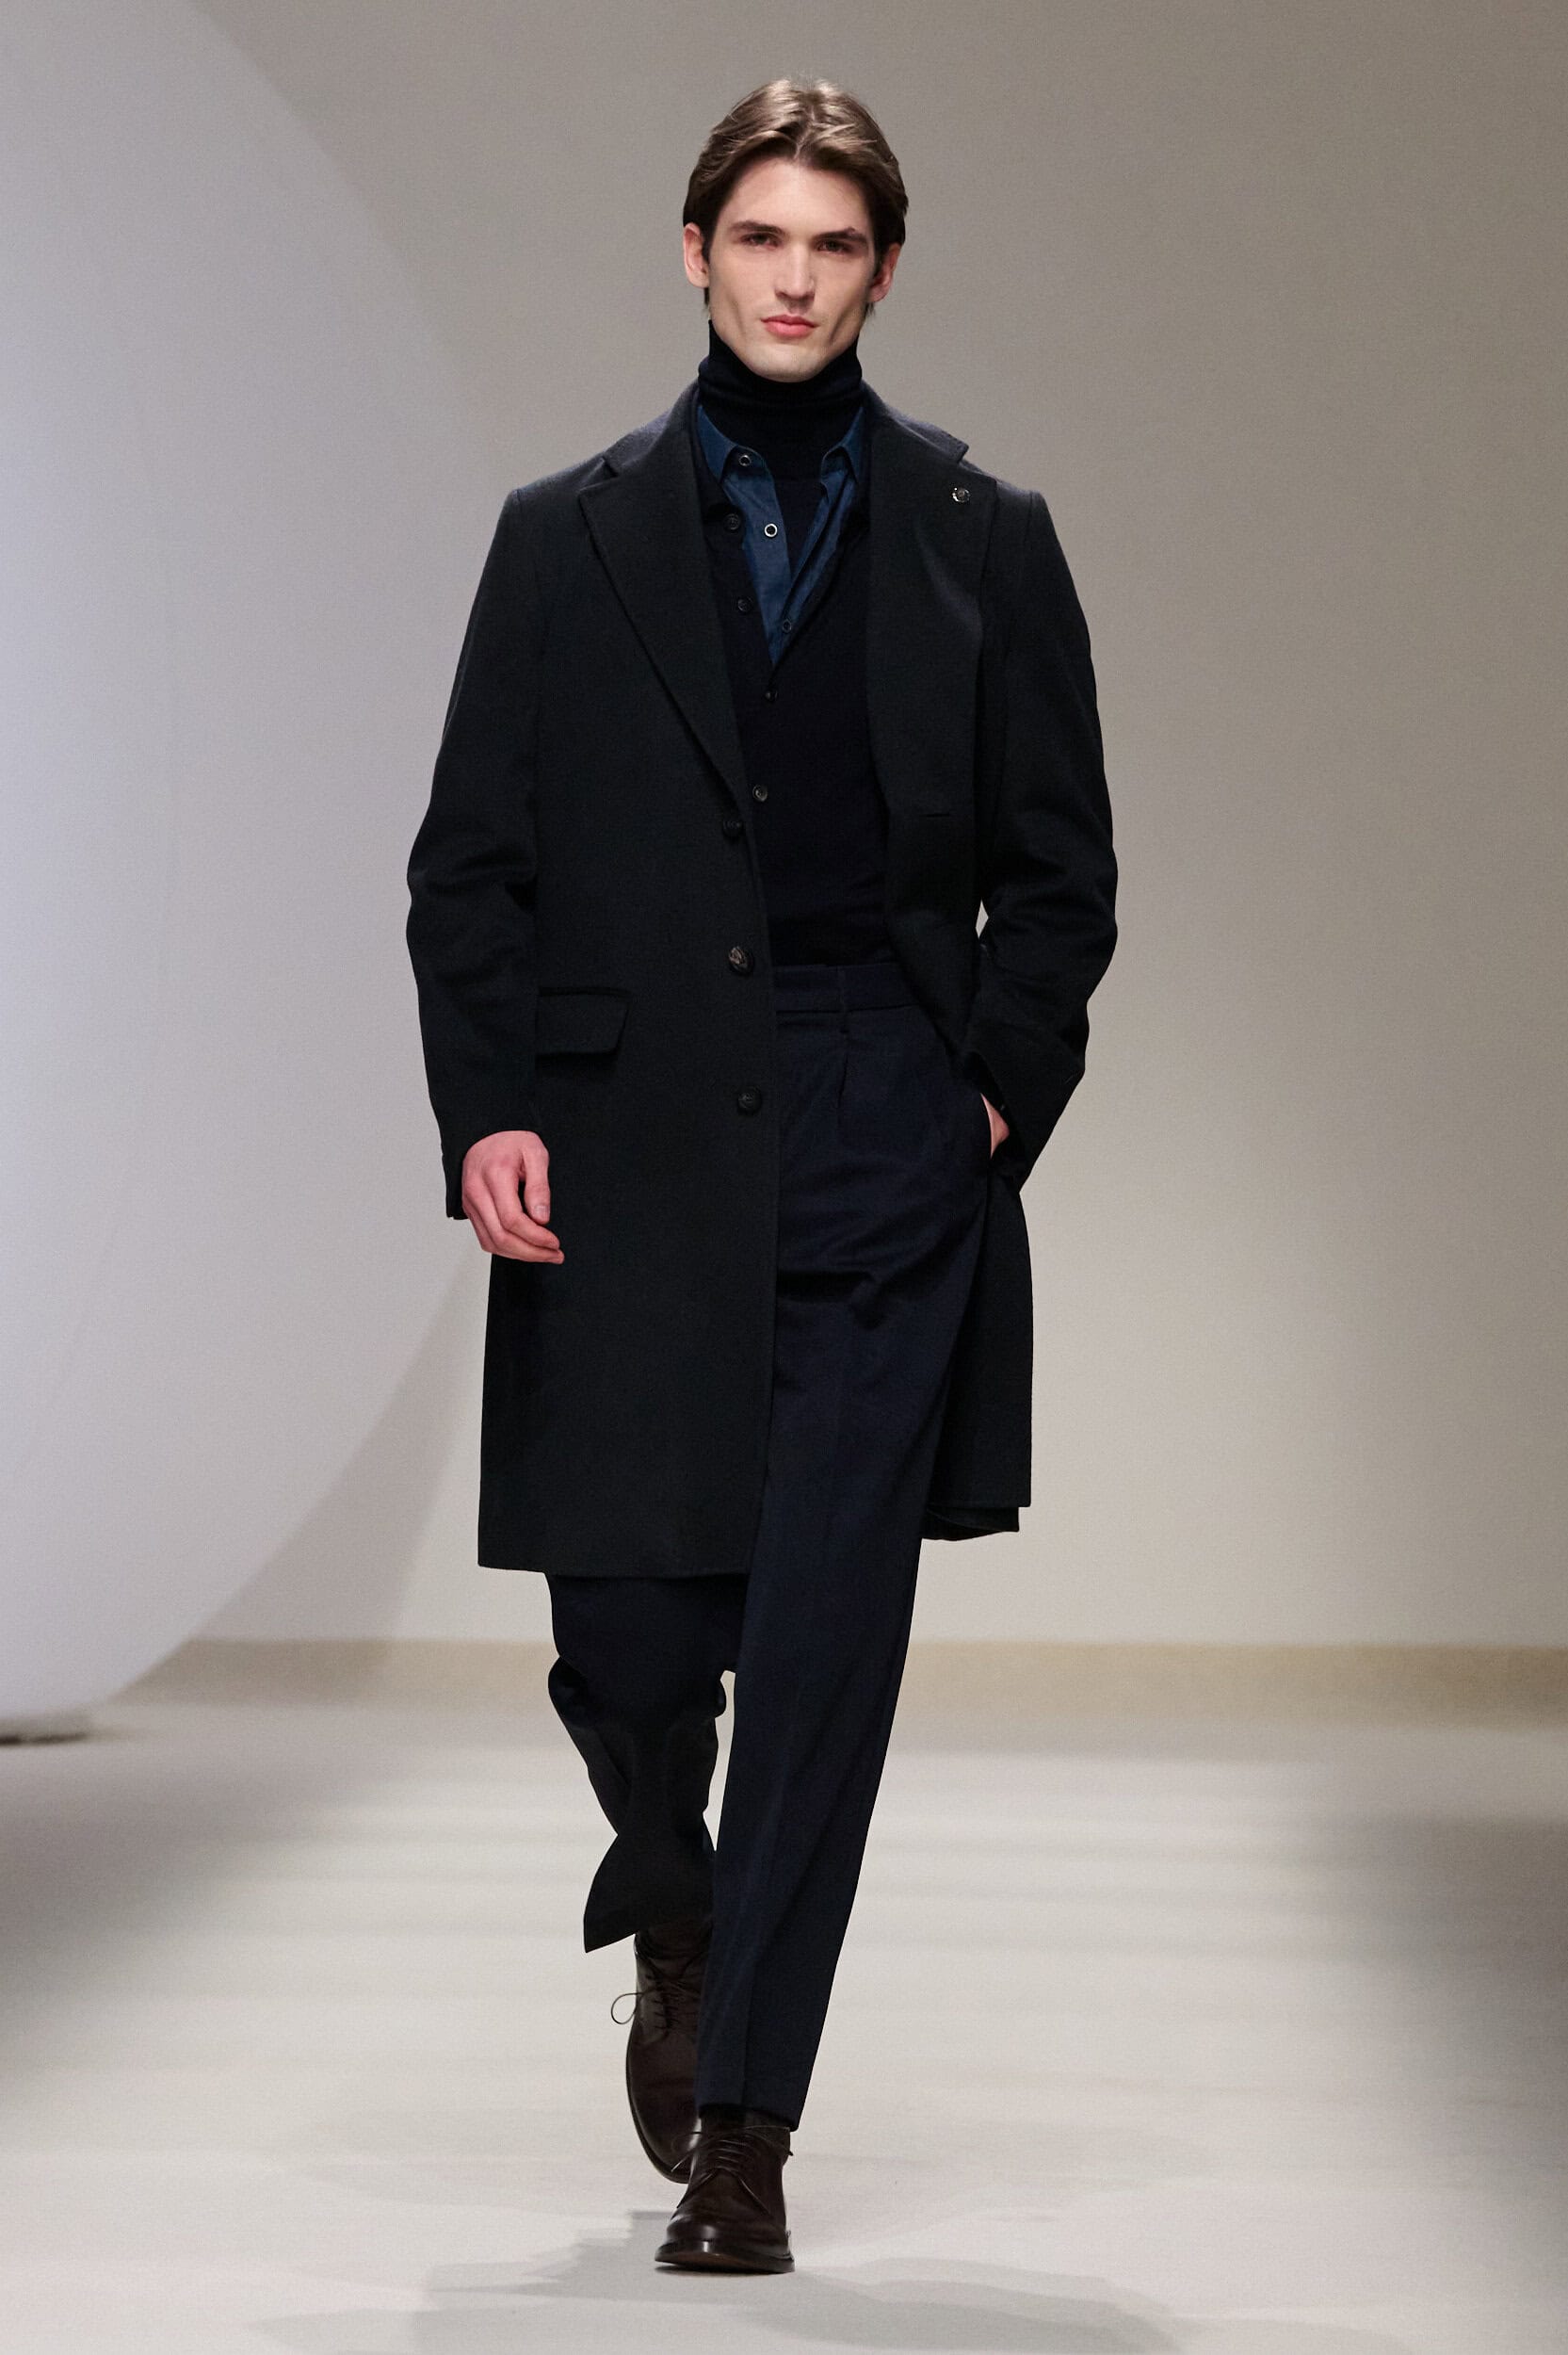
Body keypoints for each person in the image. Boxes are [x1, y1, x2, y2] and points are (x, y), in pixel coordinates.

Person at [404, 76, 1117, 2273]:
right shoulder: (565, 536)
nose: (792, 280)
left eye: (832, 245)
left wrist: (984, 1096)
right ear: (693, 252)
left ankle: (745, 2124)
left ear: (880, 270)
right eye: (759, 239)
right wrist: (489, 1102)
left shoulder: (982, 537)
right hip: (624, 1142)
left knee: (820, 1647)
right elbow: (471, 863)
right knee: (628, 1630)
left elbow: (1059, 871)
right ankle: (676, 1894)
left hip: (880, 1128)